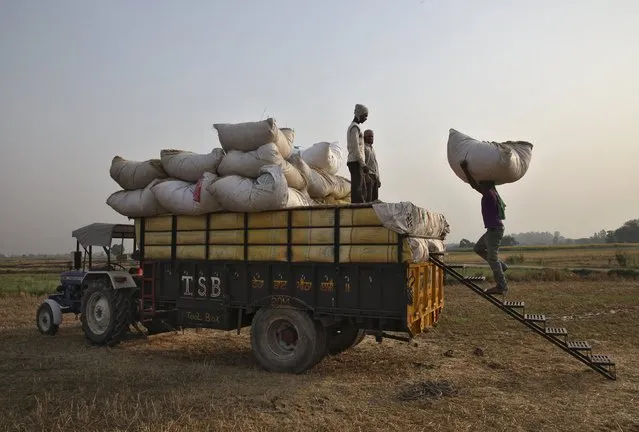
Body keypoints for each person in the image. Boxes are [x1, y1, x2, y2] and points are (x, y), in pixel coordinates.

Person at [460, 159, 509, 295]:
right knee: (478, 248)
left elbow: (473, 185)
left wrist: (465, 169)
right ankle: (502, 266)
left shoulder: (488, 193)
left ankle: (502, 286)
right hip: (492, 229)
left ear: (487, 185)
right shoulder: (493, 191)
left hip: (495, 230)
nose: (480, 184)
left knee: (492, 258)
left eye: (482, 183)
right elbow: (477, 185)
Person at [347, 104, 369, 203]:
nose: (366, 118)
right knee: (358, 190)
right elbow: (356, 148)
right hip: (355, 161)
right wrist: (363, 164)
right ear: (359, 114)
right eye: (365, 115)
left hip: (357, 162)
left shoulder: (357, 127)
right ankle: (357, 209)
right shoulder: (354, 128)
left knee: (362, 189)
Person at [363, 129, 380, 202]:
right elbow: (362, 163)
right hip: (368, 175)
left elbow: (375, 164)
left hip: (375, 176)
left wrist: (378, 178)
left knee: (375, 200)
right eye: (369, 136)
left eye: (372, 136)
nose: (371, 138)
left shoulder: (372, 149)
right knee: (368, 199)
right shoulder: (363, 148)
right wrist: (366, 176)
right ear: (364, 137)